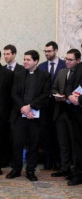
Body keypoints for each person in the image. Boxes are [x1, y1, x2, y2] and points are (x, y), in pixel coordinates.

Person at [6, 50, 50, 182]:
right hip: (20, 115)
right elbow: (14, 94)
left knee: (33, 145)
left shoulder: (44, 76)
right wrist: (24, 109)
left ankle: (30, 170)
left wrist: (31, 107)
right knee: (17, 144)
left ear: (35, 61)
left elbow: (45, 94)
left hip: (35, 116)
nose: (25, 62)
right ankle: (16, 169)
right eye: (24, 59)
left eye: (28, 60)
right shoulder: (18, 75)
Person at [51, 49, 81, 178]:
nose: (67, 62)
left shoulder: (79, 72)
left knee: (76, 143)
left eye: (70, 59)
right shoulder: (62, 72)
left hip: (75, 113)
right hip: (60, 111)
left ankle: (76, 170)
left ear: (78, 60)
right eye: (66, 59)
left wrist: (70, 98)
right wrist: (58, 95)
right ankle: (65, 168)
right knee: (63, 142)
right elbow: (54, 88)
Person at [38, 41, 66, 170]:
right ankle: (48, 161)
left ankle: (59, 161)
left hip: (60, 106)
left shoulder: (64, 65)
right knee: (46, 134)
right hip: (44, 106)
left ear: (55, 50)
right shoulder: (42, 66)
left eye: (49, 51)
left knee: (59, 135)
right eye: (45, 51)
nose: (47, 54)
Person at [65, 57, 82, 185]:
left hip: (79, 104)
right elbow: (69, 83)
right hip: (77, 113)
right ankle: (78, 173)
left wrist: (79, 100)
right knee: (77, 144)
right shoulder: (79, 67)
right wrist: (70, 96)